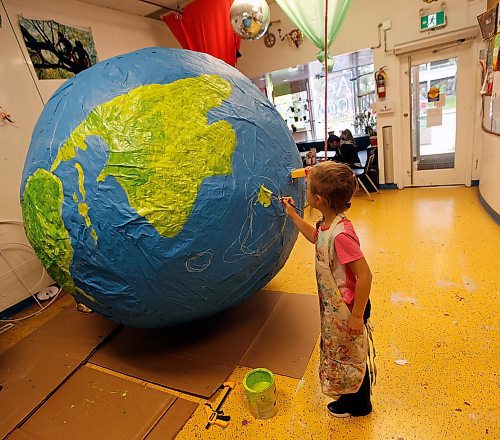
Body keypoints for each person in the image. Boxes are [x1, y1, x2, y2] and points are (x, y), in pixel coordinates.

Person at [281, 162, 374, 417]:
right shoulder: (326, 224)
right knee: (343, 354)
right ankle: (349, 397)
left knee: (352, 357)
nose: (306, 192)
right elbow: (315, 237)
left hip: (349, 308)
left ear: (319, 199)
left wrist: (356, 316)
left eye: (308, 189)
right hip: (337, 306)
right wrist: (292, 214)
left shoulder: (341, 235)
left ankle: (359, 405)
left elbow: (364, 275)